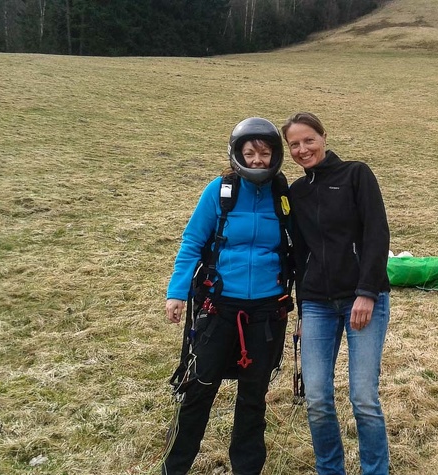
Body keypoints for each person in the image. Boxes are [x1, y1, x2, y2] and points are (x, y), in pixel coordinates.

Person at [161, 117, 293, 475]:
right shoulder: (219, 192)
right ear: (236, 154)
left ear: (275, 155)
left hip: (267, 313)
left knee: (254, 399)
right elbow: (192, 242)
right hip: (218, 308)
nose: (256, 160)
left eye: (264, 153)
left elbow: (302, 248)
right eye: (249, 152)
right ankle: (175, 468)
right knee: (198, 391)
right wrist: (176, 292)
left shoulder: (284, 196)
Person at [281, 112, 391, 475]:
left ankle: (375, 471)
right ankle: (330, 470)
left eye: (308, 140)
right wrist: (300, 314)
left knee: (363, 398)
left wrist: (367, 292)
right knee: (316, 398)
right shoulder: (297, 192)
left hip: (363, 299)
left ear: (324, 137)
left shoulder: (356, 174)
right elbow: (299, 254)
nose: (302, 149)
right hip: (316, 304)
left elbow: (377, 233)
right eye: (294, 144)